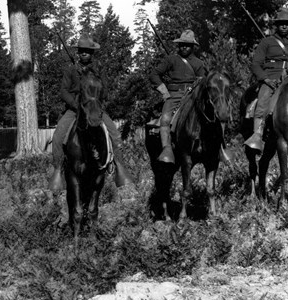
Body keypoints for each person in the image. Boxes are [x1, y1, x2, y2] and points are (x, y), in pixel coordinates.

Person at [48, 35, 133, 193]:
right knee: (58, 136)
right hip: (74, 110)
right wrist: (75, 104)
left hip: (94, 108)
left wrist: (95, 102)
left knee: (114, 134)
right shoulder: (71, 69)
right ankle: (58, 171)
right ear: (78, 52)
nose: (84, 53)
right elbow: (63, 91)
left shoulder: (99, 69)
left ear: (92, 52)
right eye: (81, 51)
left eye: (87, 51)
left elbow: (105, 90)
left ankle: (120, 168)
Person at [245, 7, 288, 152]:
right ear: (276, 25)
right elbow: (256, 64)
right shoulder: (266, 42)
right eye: (282, 23)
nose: (285, 26)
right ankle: (257, 135)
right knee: (263, 101)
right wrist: (265, 79)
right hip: (271, 78)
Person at [149, 29, 207, 164]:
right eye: (182, 44)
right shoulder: (171, 60)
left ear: (193, 47)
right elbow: (154, 75)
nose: (184, 47)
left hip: (193, 95)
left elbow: (203, 81)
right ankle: (166, 149)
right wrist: (164, 92)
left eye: (187, 45)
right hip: (174, 95)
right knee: (165, 119)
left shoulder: (199, 63)